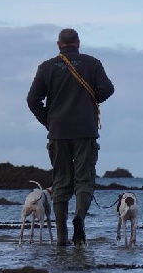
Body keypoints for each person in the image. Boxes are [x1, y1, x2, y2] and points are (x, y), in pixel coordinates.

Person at [27, 28, 114, 247]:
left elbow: (32, 100)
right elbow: (108, 89)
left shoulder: (46, 67)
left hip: (58, 132)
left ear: (59, 45)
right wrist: (90, 100)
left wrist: (49, 121)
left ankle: (62, 240)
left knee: (60, 183)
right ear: (78, 43)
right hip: (85, 129)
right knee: (84, 180)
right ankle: (80, 218)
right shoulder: (92, 63)